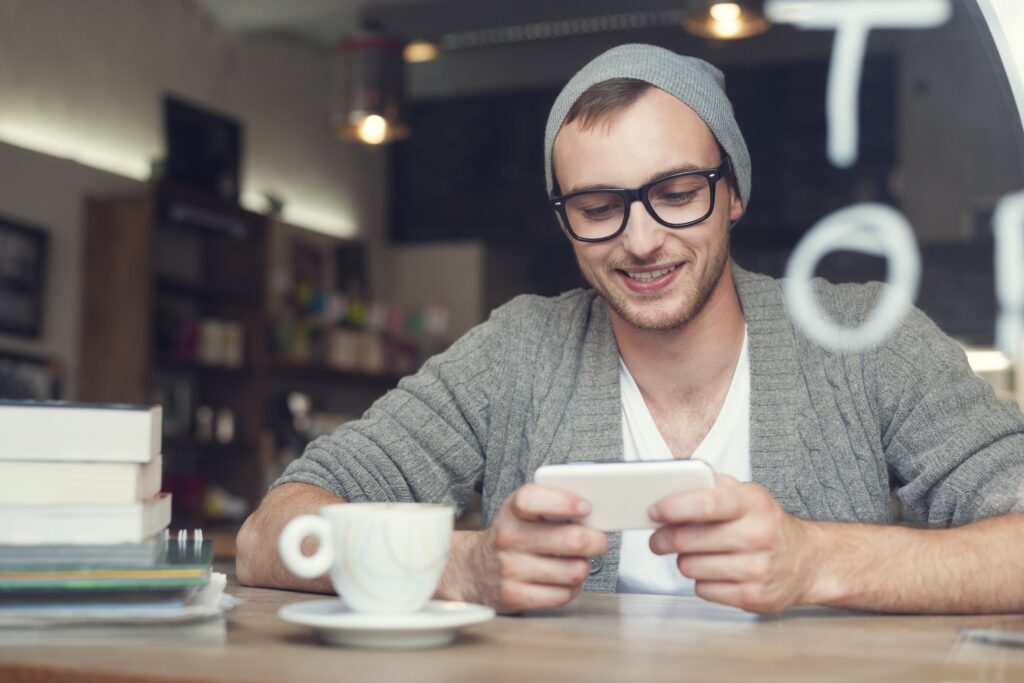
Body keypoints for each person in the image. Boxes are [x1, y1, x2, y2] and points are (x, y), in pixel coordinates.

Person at [237, 43, 1024, 615]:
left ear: (732, 191)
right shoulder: (516, 352)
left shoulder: (867, 339)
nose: (641, 239)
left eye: (677, 190)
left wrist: (819, 561)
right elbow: (268, 535)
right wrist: (462, 566)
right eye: (598, 206)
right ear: (565, 217)